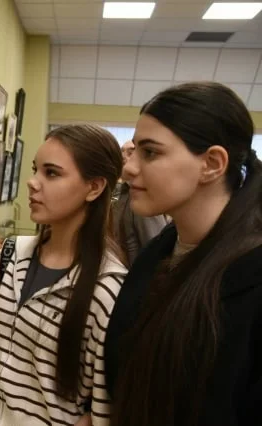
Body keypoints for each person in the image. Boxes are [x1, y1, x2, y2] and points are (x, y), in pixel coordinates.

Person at [0, 124, 127, 426]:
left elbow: (103, 406)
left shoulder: (108, 288)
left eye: (51, 173)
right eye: (35, 170)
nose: (32, 182)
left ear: (94, 187)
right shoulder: (10, 254)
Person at [105, 82, 262, 426]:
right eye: (134, 151)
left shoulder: (251, 277)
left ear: (212, 163)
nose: (128, 168)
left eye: (150, 153)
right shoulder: (160, 252)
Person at [112, 140, 169, 265]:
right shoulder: (122, 192)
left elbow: (156, 251)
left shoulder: (143, 196)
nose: (123, 157)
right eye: (122, 152)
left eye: (130, 153)